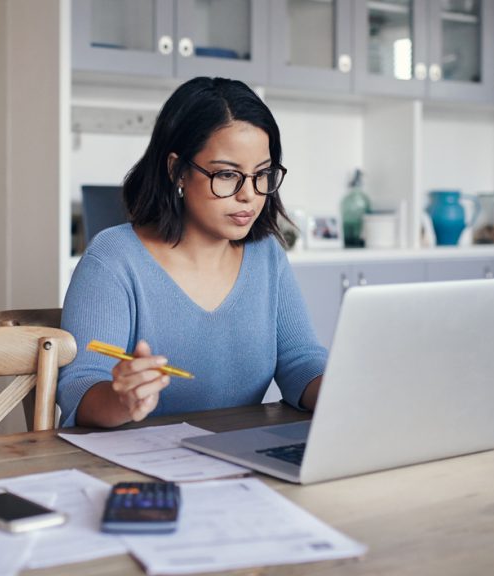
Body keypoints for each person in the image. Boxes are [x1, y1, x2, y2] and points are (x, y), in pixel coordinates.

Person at [58, 77, 327, 428]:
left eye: (262, 174)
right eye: (228, 175)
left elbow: (300, 361)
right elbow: (80, 388)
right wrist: (121, 399)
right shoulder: (114, 258)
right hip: (135, 470)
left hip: (237, 460)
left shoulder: (267, 256)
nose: (249, 194)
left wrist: (345, 391)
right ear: (178, 170)